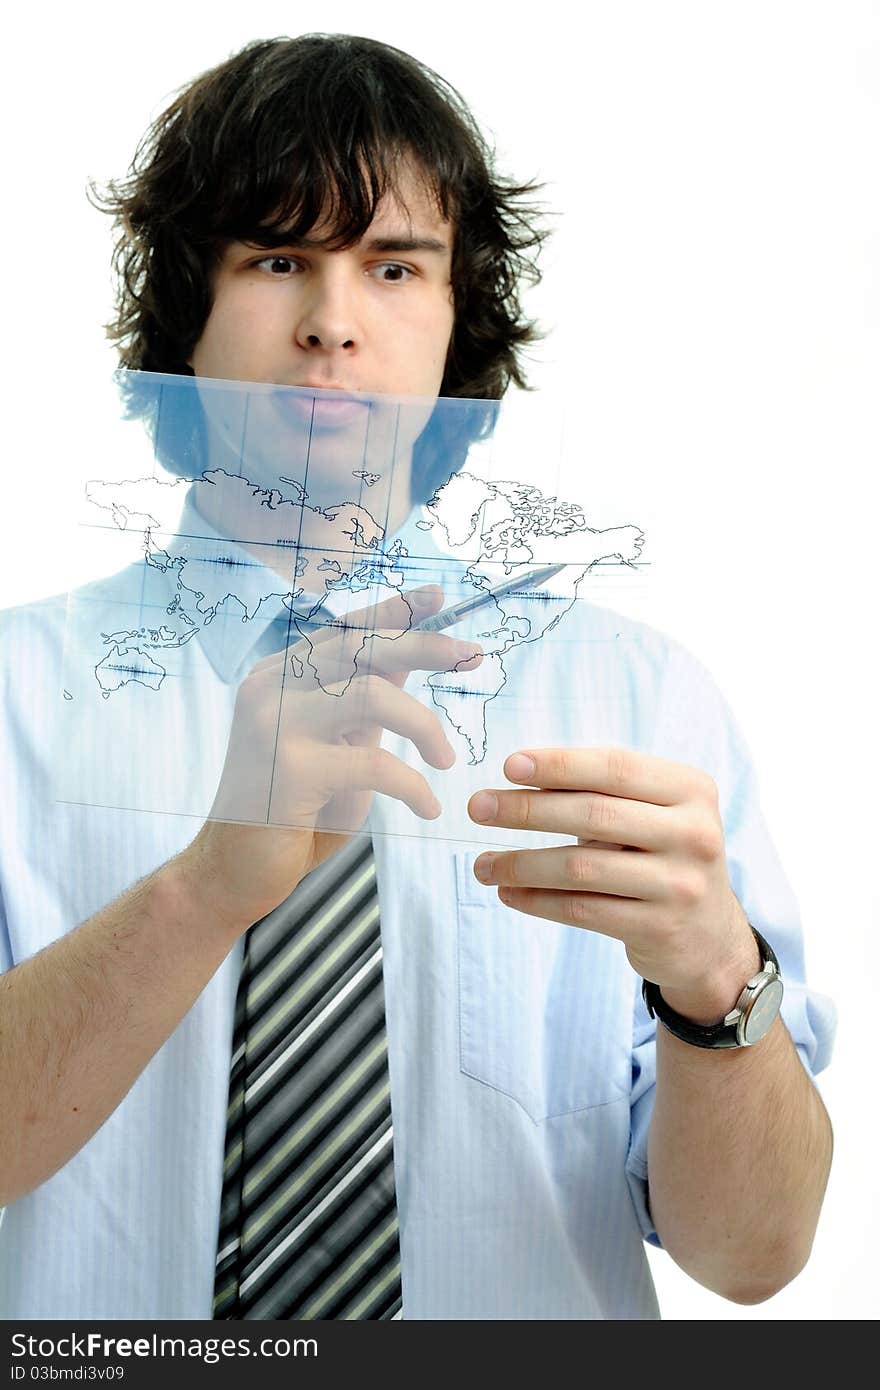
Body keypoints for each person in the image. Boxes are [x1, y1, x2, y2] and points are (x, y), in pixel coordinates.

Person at [0, 33, 835, 1321]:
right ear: (186, 314)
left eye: (394, 267)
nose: (334, 323)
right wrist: (203, 892)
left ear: (459, 323)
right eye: (277, 259)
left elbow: (753, 1260)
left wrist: (718, 985)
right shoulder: (9, 702)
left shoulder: (640, 706)